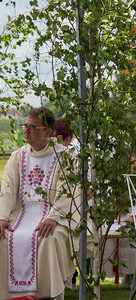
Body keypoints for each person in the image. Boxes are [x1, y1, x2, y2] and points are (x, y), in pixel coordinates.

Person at [0, 107, 80, 299]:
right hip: (21, 213)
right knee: (2, 237)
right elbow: (7, 189)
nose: (26, 130)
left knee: (49, 239)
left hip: (54, 215)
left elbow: (67, 191)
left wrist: (53, 218)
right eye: (25, 125)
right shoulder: (17, 157)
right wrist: (2, 217)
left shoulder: (64, 157)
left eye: (32, 127)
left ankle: (52, 294)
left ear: (47, 132)